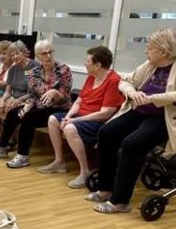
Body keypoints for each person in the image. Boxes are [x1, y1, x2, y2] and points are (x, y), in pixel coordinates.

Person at [88, 28, 176, 214]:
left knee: (133, 143)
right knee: (106, 133)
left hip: (164, 117)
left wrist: (153, 98)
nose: (145, 51)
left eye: (149, 48)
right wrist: (132, 92)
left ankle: (120, 201)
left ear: (164, 52)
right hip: (140, 111)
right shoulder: (151, 64)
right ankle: (105, 189)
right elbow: (124, 81)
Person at [39, 46, 124, 188]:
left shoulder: (114, 81)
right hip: (82, 117)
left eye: (88, 61)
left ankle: (85, 171)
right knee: (53, 119)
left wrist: (73, 120)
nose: (85, 63)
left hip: (99, 122)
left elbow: (105, 114)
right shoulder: (92, 77)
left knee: (70, 128)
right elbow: (79, 101)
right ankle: (59, 161)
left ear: (98, 65)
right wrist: (68, 116)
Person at [0, 40, 72, 169]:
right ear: (38, 56)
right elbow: (33, 94)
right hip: (39, 105)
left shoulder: (63, 69)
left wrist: (55, 93)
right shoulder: (35, 72)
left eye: (50, 52)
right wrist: (25, 106)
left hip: (58, 108)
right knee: (14, 113)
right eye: (44, 53)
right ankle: (2, 147)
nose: (48, 56)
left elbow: (64, 95)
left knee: (28, 118)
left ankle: (23, 155)